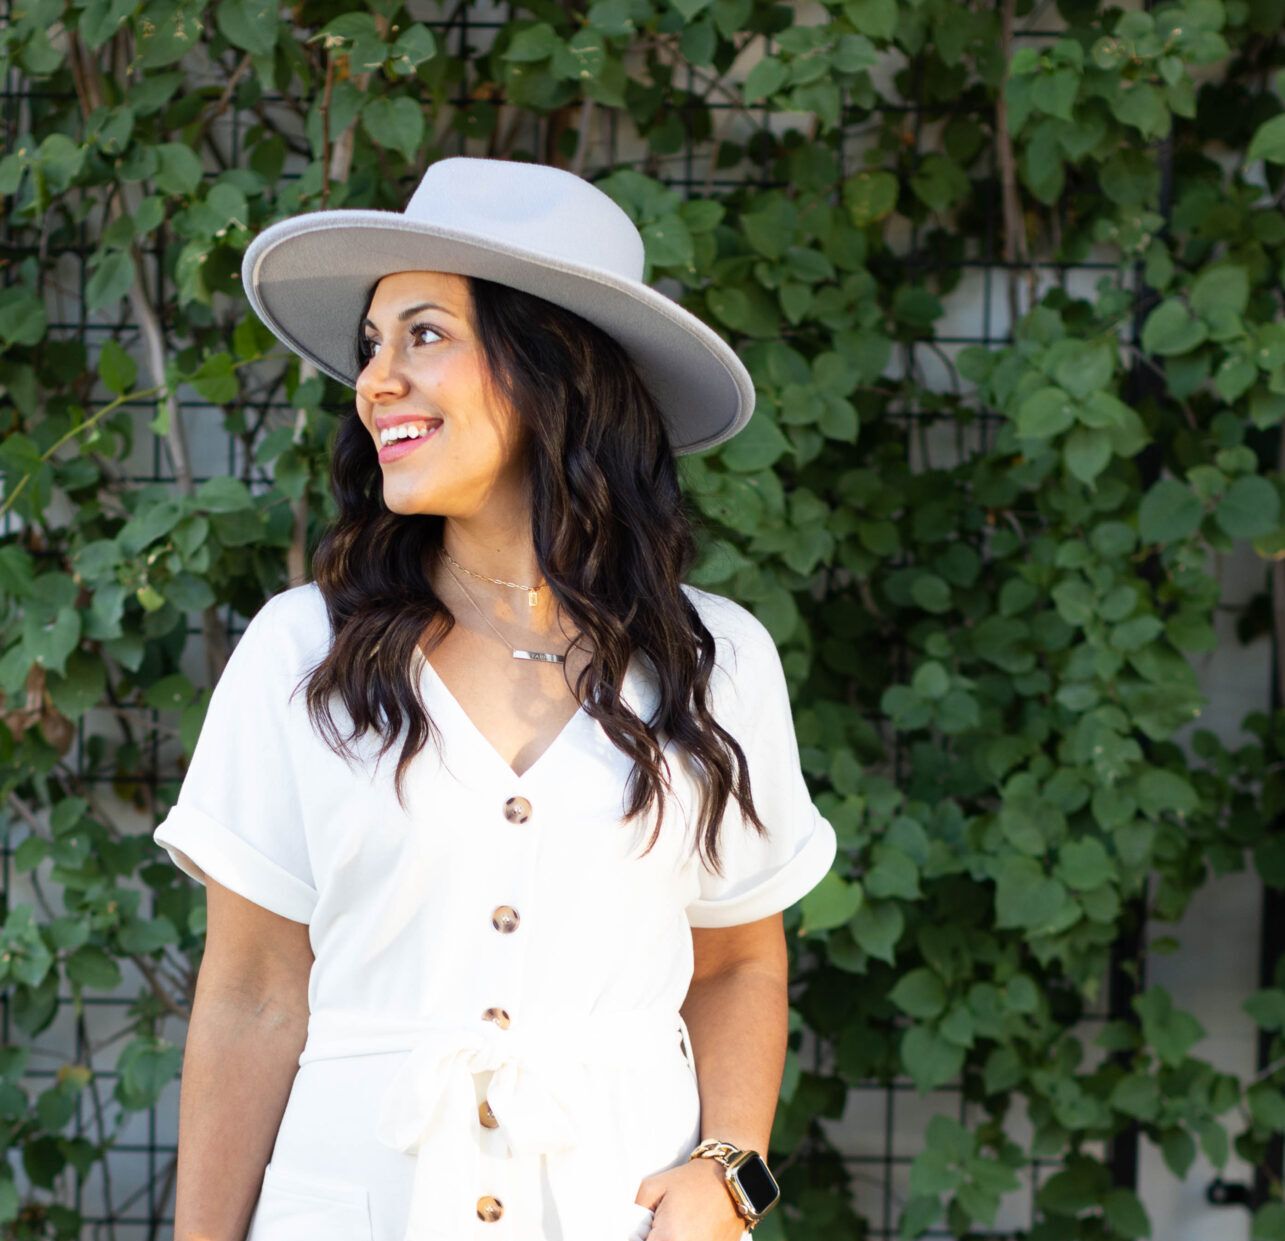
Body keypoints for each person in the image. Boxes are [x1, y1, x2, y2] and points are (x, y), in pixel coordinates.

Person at [152, 157, 838, 1241]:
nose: (376, 379)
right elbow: (250, 991)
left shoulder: (714, 661)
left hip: (614, 1210)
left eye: (423, 334)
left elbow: (741, 956)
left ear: (549, 370)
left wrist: (729, 1176)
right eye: (370, 346)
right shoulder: (302, 649)